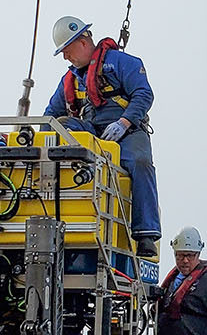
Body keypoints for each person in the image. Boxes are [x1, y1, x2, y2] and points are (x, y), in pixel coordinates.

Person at [43, 15, 162, 257]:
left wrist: (124, 121)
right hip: (91, 131)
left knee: (140, 163)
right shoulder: (70, 80)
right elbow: (50, 117)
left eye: (67, 50)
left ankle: (146, 234)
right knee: (61, 129)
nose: (66, 57)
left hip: (127, 130)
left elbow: (143, 94)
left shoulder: (121, 63)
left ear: (83, 42)